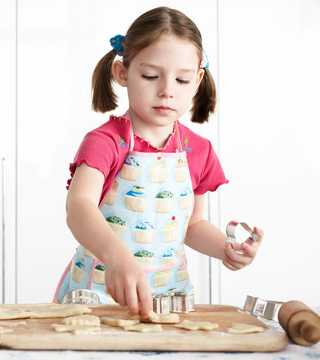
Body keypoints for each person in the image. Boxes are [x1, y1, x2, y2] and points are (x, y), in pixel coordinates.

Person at [53, 6, 263, 318]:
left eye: (181, 79)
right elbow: (79, 206)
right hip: (97, 299)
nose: (166, 91)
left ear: (197, 80)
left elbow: (191, 225)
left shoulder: (198, 150)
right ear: (122, 73)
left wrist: (224, 248)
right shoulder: (106, 142)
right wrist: (115, 255)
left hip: (169, 299)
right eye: (151, 76)